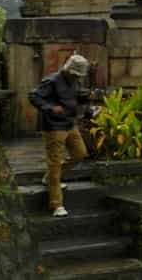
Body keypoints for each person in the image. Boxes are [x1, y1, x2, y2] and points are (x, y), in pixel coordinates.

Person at [28, 54, 90, 217]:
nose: (77, 77)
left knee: (80, 154)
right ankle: (57, 205)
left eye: (79, 75)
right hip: (54, 126)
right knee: (54, 163)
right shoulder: (52, 80)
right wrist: (49, 108)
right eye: (76, 74)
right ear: (69, 69)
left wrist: (84, 98)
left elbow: (73, 99)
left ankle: (50, 178)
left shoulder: (75, 81)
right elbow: (33, 96)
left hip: (70, 124)